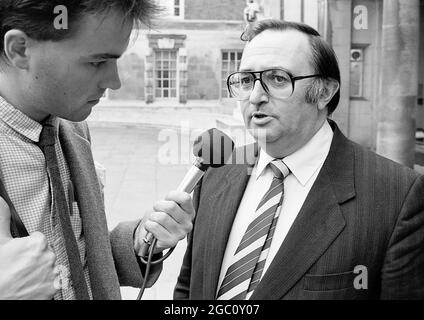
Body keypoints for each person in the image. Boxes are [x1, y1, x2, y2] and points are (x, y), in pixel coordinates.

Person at [174, 19, 424, 300]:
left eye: (277, 78)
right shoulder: (217, 169)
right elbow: (189, 287)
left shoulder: (398, 195)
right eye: (246, 81)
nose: (255, 96)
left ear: (325, 92)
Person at [0, 0, 195, 300]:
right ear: (20, 50)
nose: (114, 81)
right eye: (96, 62)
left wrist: (140, 241)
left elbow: (75, 261)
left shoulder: (74, 130)